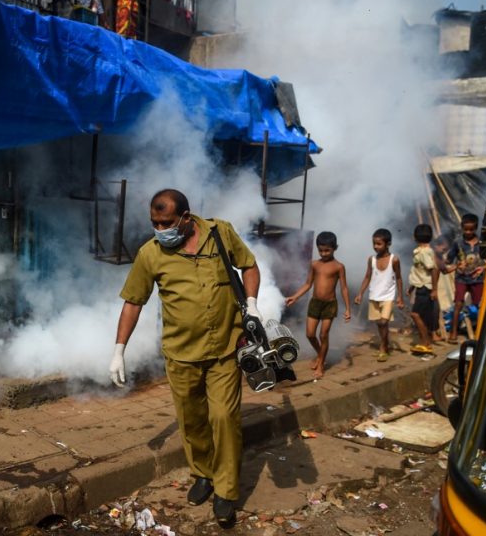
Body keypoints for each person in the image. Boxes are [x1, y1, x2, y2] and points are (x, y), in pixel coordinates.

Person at [109, 189, 261, 525]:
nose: (160, 228)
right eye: (154, 222)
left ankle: (225, 492)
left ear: (186, 218)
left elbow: (249, 266)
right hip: (180, 355)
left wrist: (251, 305)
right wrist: (119, 350)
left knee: (223, 418)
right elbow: (133, 302)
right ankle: (203, 474)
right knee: (192, 422)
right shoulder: (150, 254)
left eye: (166, 222)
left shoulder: (219, 233)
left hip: (225, 348)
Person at [284, 231, 351, 379]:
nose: (324, 253)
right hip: (315, 303)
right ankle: (321, 353)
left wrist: (347, 308)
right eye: (321, 250)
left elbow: (344, 288)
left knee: (323, 334)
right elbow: (308, 284)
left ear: (335, 248)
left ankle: (321, 363)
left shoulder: (339, 267)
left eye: (327, 250)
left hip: (329, 305)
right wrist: (294, 297)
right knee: (310, 334)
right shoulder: (314, 264)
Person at [354, 228, 404, 362]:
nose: (375, 246)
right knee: (380, 324)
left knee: (383, 321)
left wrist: (400, 297)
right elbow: (367, 277)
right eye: (374, 243)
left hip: (388, 297)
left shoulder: (394, 260)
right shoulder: (371, 259)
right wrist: (360, 293)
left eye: (379, 244)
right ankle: (385, 343)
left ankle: (384, 346)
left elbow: (398, 278)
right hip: (374, 296)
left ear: (388, 244)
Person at [445, 214, 486, 343]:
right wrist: (456, 265)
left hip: (477, 278)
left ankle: (480, 332)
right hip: (461, 278)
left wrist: (484, 267)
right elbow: (449, 259)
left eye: (471, 230)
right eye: (466, 229)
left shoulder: (482, 243)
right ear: (462, 228)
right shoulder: (458, 243)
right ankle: (453, 333)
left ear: (476, 229)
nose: (468, 232)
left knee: (479, 305)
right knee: (458, 304)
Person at [408, 224, 439, 355]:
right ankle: (424, 342)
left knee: (415, 314)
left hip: (425, 289)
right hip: (422, 287)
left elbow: (433, 270)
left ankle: (426, 342)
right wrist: (411, 288)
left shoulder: (424, 252)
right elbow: (418, 273)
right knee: (423, 317)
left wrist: (434, 290)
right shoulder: (424, 251)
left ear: (415, 237)